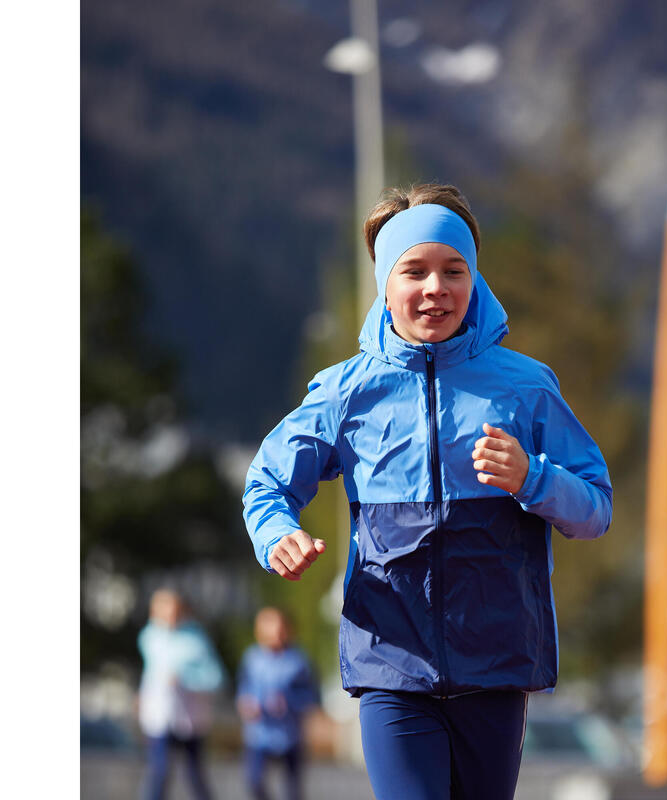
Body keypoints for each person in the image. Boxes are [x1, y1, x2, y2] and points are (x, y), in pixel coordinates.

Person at [242, 183, 613, 799]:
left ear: (475, 281)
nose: (435, 287)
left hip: (496, 667)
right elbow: (268, 482)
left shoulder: (526, 387)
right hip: (391, 666)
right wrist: (277, 533)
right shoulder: (346, 392)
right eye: (414, 270)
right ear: (386, 284)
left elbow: (595, 509)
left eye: (453, 270)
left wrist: (533, 478)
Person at [137, 588, 224, 800]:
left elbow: (216, 678)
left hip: (189, 719)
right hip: (160, 717)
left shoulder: (196, 640)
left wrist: (186, 679)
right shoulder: (149, 637)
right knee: (160, 771)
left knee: (194, 775)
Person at [236, 607, 318, 800]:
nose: (276, 633)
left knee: (292, 789)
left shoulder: (298, 661)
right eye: (269, 628)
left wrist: (289, 702)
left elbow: (312, 696)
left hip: (290, 735)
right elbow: (244, 688)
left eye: (280, 628)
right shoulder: (252, 658)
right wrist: (246, 703)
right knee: (254, 781)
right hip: (258, 734)